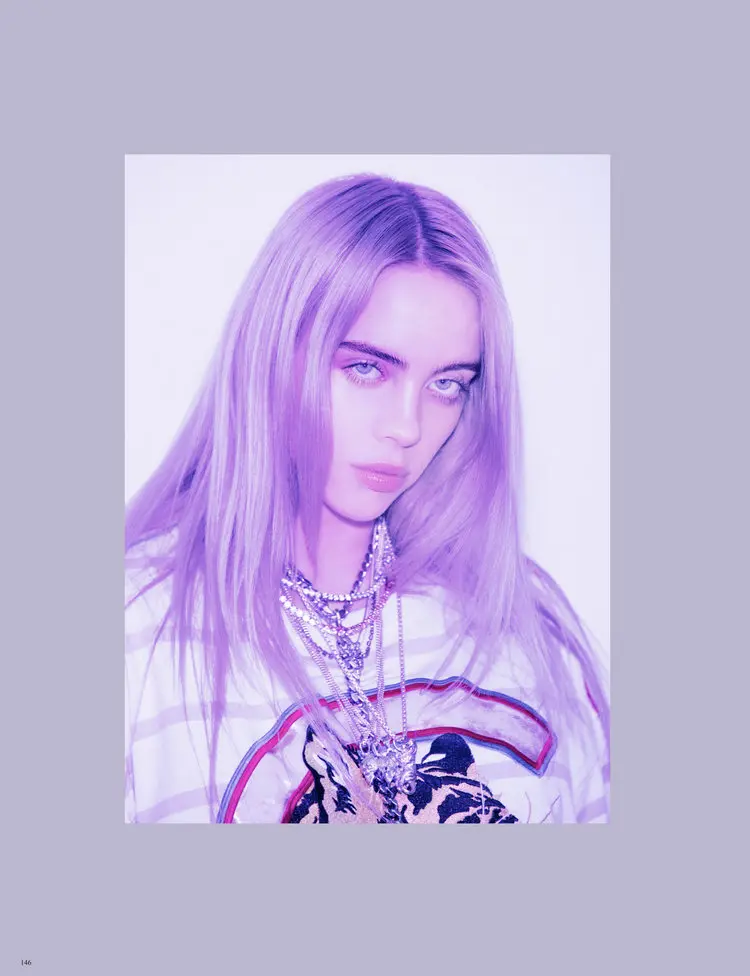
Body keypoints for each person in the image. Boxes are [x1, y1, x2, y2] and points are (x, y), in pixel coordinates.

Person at [125, 173, 610, 824]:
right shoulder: (138, 635)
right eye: (366, 368)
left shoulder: (524, 630)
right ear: (273, 356)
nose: (407, 426)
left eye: (446, 384)